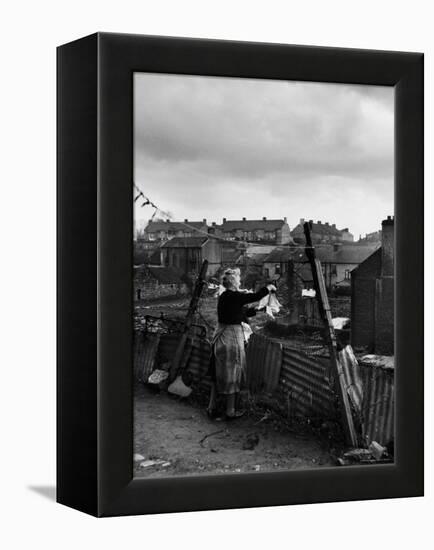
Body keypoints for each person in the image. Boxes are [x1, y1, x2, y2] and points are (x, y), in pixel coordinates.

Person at [207, 268, 276, 420]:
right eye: (238, 279)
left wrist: (260, 309)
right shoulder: (234, 295)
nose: (240, 281)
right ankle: (230, 411)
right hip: (231, 339)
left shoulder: (225, 296)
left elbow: (239, 313)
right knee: (233, 373)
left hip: (221, 338)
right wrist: (269, 288)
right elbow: (255, 296)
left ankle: (211, 407)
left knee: (217, 373)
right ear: (233, 282)